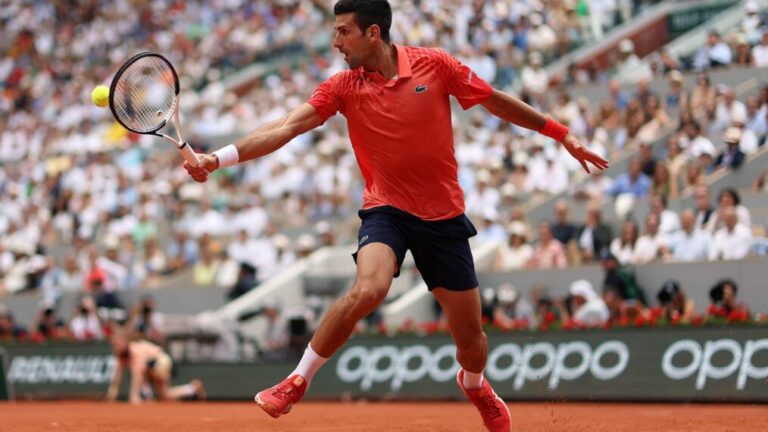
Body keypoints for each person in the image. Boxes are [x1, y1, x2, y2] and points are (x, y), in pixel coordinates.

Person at [184, 1, 607, 430]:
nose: (335, 42)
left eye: (343, 32)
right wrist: (217, 159)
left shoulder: (434, 66)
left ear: (372, 34)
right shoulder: (343, 87)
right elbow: (285, 126)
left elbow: (495, 101)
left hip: (443, 217)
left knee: (472, 344)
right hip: (386, 209)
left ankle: (475, 384)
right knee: (369, 288)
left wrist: (562, 134)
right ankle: (296, 380)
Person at [106, 329, 205, 404]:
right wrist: (112, 394)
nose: (116, 347)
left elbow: (138, 374)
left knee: (141, 372)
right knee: (165, 395)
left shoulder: (136, 351)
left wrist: (134, 396)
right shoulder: (121, 357)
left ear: (126, 342)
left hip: (161, 361)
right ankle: (192, 388)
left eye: (118, 344)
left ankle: (147, 396)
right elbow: (117, 377)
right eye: (114, 345)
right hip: (154, 365)